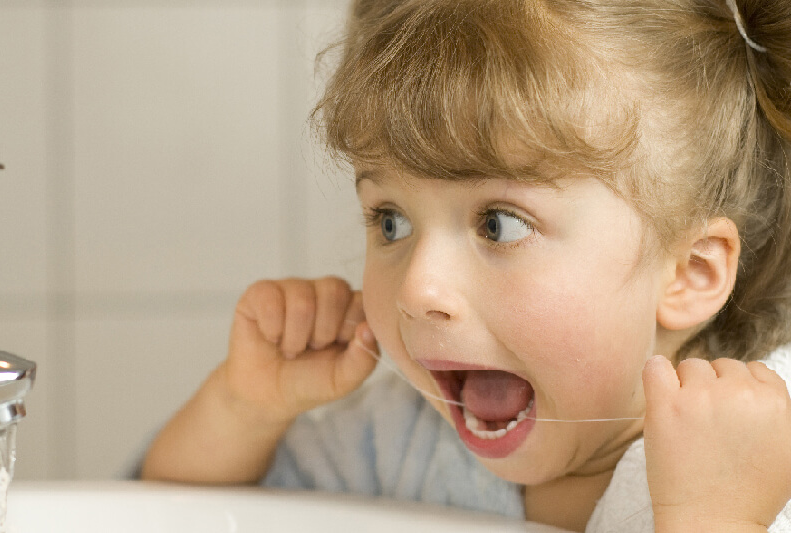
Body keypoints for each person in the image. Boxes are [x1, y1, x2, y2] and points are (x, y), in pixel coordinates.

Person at [140, 0, 791, 531]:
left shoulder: (762, 459)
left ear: (690, 273)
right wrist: (246, 405)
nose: (419, 288)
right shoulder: (404, 440)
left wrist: (717, 520)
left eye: (499, 224)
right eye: (389, 219)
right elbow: (162, 514)